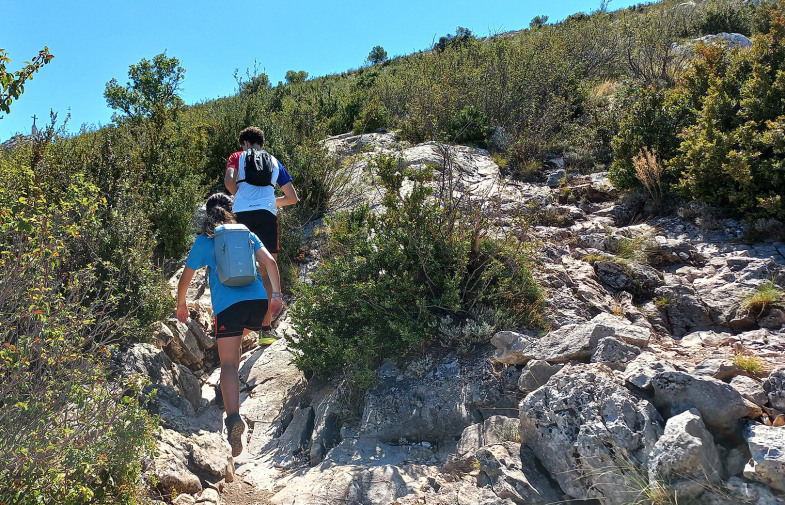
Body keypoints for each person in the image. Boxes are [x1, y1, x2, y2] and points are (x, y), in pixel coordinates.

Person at [176, 193, 283, 457]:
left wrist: (181, 304)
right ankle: (226, 391)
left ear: (207, 214)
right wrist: (277, 295)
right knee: (234, 345)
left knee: (228, 364)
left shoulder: (205, 240)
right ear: (231, 211)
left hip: (229, 308)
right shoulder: (245, 233)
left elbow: (186, 279)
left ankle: (233, 417)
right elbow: (269, 262)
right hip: (259, 305)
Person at [224, 126, 298, 342]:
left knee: (236, 272)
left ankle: (234, 330)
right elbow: (292, 198)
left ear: (245, 143)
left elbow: (229, 181)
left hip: (241, 217)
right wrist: (267, 202)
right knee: (265, 273)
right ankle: (266, 330)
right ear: (262, 144)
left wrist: (242, 197)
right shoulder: (274, 161)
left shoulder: (237, 156)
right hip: (266, 217)